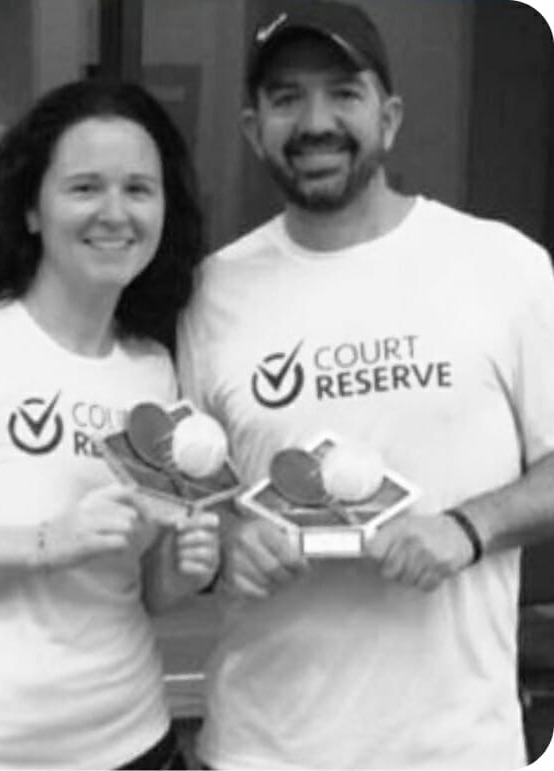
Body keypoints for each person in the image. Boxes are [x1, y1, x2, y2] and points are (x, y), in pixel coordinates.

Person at [177, 2, 554, 768]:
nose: (316, 121)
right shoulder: (210, 293)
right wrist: (224, 544)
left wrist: (467, 528)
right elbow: (188, 502)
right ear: (253, 129)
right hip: (261, 747)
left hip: (456, 749)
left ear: (390, 116)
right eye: (287, 99)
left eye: (343, 93)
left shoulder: (504, 266)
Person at [0, 78, 219, 769]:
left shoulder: (154, 369)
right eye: (85, 187)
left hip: (133, 743)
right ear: (32, 209)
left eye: (139, 189)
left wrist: (186, 569)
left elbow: (144, 587)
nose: (115, 213)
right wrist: (44, 539)